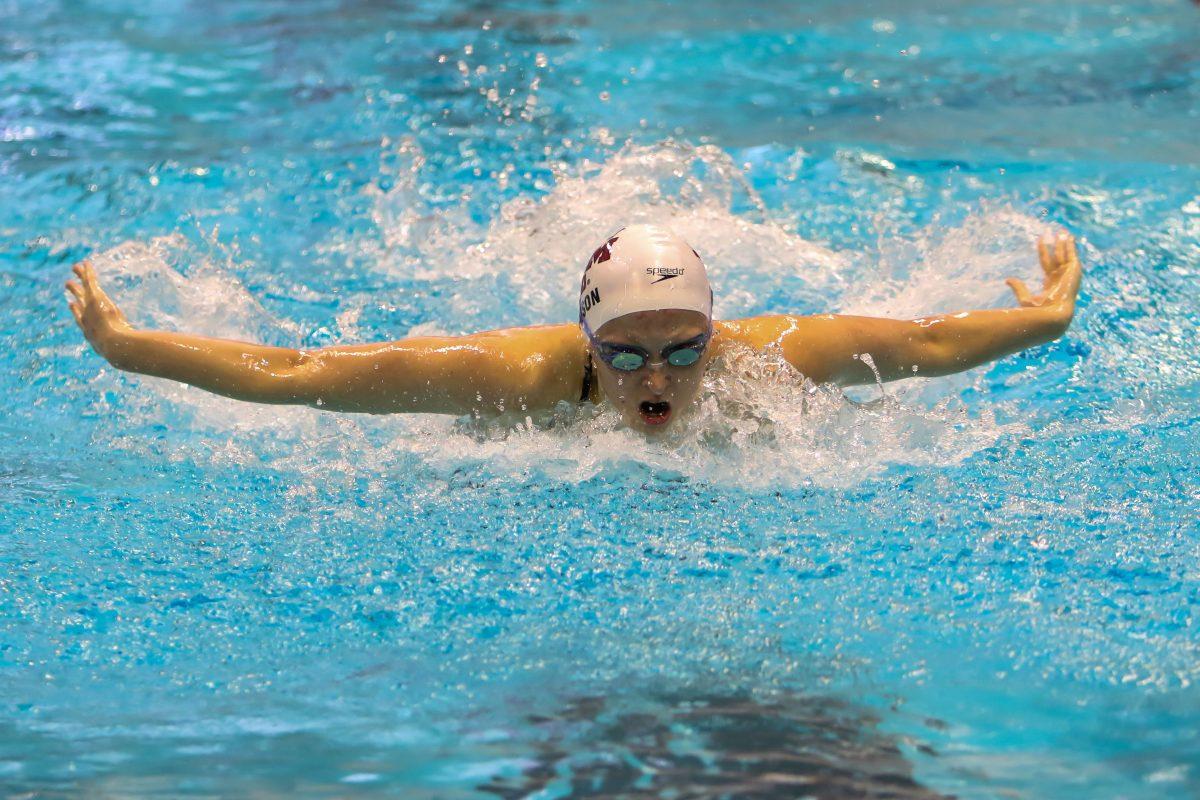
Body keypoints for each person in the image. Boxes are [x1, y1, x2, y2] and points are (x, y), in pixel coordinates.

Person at [66, 224, 1082, 433]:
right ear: (587, 342)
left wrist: (1045, 317)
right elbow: (297, 372)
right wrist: (127, 346)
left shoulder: (766, 354)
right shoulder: (512, 377)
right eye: (626, 352)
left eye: (686, 348)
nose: (659, 376)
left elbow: (935, 343)